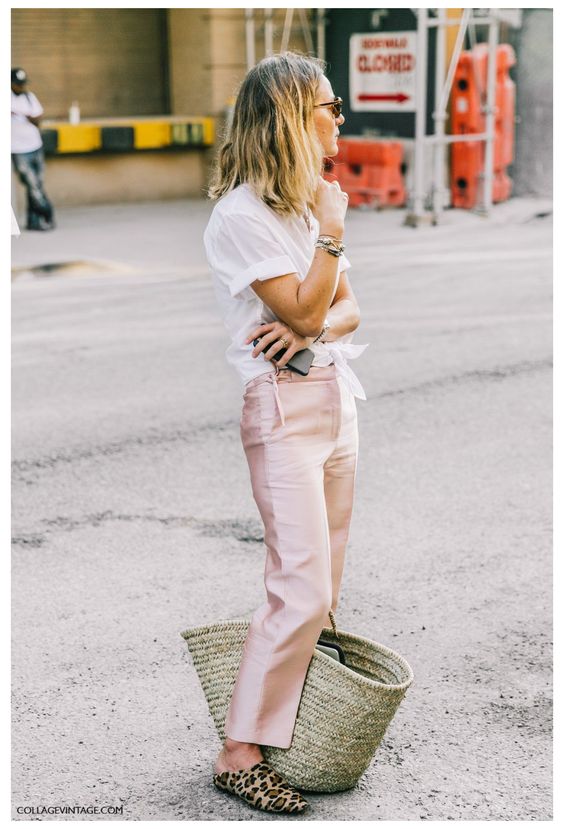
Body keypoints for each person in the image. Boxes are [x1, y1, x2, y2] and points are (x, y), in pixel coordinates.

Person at [203, 52, 367, 814]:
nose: (341, 117)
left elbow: (345, 312)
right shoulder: (242, 215)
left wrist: (316, 310)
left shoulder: (301, 204)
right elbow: (303, 314)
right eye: (330, 105)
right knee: (298, 586)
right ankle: (240, 751)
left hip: (335, 397)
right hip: (282, 408)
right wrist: (330, 239)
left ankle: (295, 728)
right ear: (292, 118)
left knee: (324, 587)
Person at [11, 67, 55, 231]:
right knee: (32, 184)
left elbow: (38, 119)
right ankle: (47, 212)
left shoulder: (29, 98)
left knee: (37, 183)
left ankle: (33, 220)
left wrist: (24, 115)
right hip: (17, 149)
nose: (21, 87)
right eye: (18, 84)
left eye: (23, 84)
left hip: (35, 146)